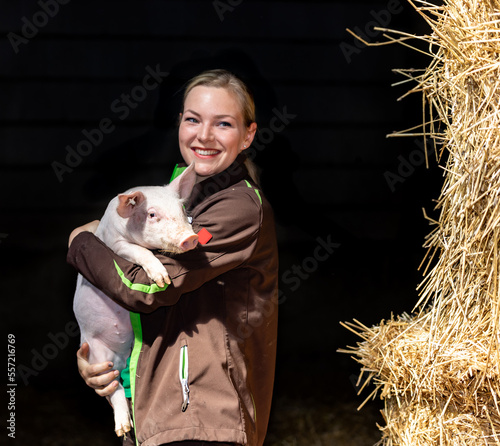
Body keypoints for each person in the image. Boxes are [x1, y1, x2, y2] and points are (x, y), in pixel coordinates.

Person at [67, 69, 279, 446]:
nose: (204, 135)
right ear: (179, 123)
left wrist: (81, 242)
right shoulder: (176, 198)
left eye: (224, 124)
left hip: (206, 412)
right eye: (193, 119)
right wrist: (106, 366)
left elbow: (145, 287)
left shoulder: (239, 208)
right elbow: (140, 314)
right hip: (164, 408)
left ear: (248, 135)